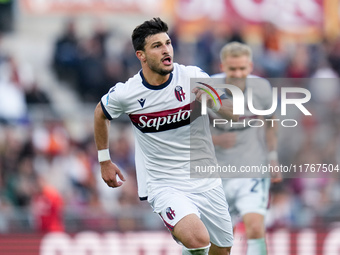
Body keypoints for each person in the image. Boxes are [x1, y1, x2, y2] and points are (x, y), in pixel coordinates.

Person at [93, 18, 238, 255]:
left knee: (221, 250)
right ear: (141, 55)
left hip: (206, 180)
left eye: (168, 43)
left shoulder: (192, 76)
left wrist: (212, 101)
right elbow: (101, 113)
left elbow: (233, 114)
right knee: (198, 240)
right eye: (157, 46)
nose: (166, 50)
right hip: (164, 184)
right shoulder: (128, 93)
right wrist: (104, 160)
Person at [211, 42, 282, 255]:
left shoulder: (261, 88)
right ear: (222, 67)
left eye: (242, 68)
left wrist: (272, 156)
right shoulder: (208, 88)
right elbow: (190, 129)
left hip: (252, 167)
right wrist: (216, 140)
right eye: (233, 69)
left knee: (255, 226)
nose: (238, 73)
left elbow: (271, 121)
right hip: (217, 171)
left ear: (250, 67)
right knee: (221, 238)